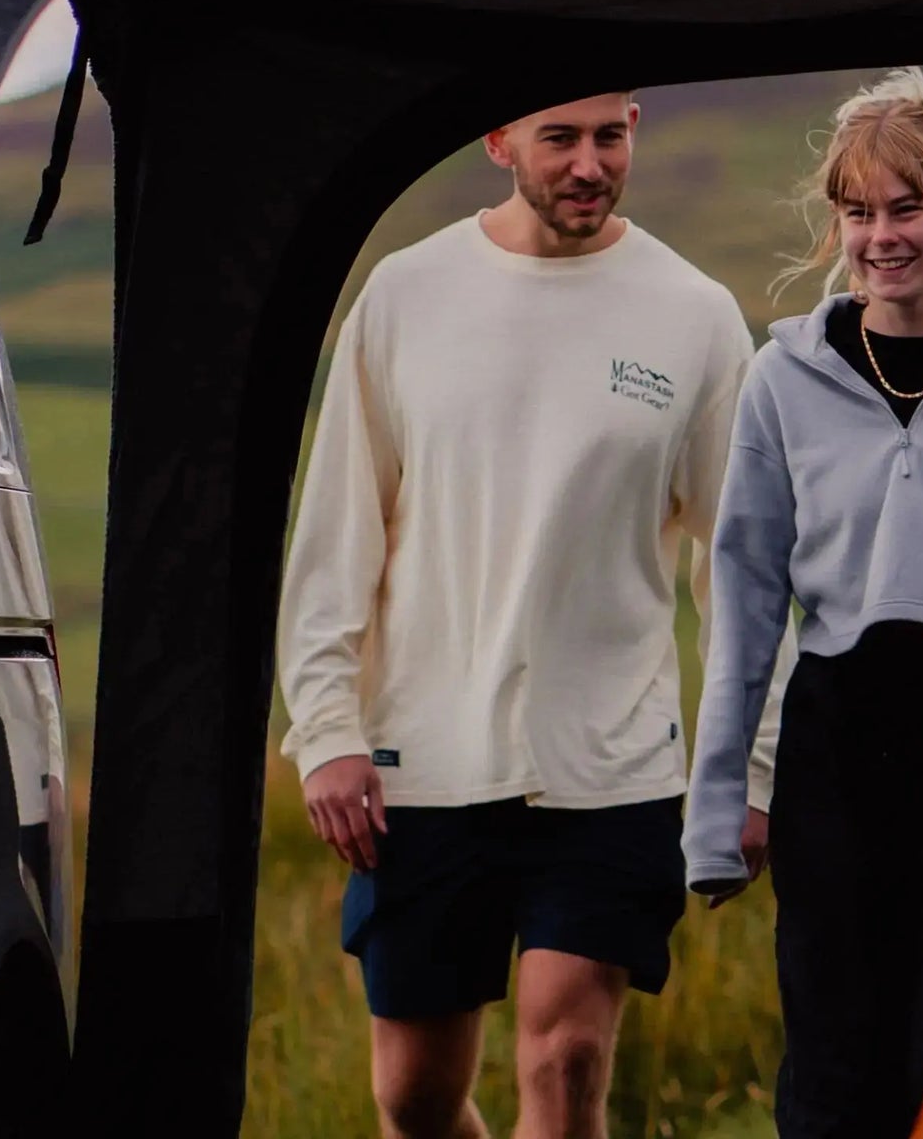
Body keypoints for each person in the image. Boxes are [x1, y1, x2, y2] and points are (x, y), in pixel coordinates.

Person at [278, 90, 795, 1139]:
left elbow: (740, 570)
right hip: (419, 761)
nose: (589, 165)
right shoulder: (405, 294)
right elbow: (338, 535)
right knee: (413, 1099)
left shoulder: (690, 313)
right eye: (559, 138)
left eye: (610, 137)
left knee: (566, 1062)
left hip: (611, 763)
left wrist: (751, 765)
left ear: (636, 126)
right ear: (499, 138)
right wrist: (327, 731)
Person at [683, 67, 923, 1139]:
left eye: (906, 207)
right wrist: (719, 812)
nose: (881, 235)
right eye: (858, 212)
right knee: (836, 1061)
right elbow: (746, 598)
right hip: (836, 758)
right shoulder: (783, 377)